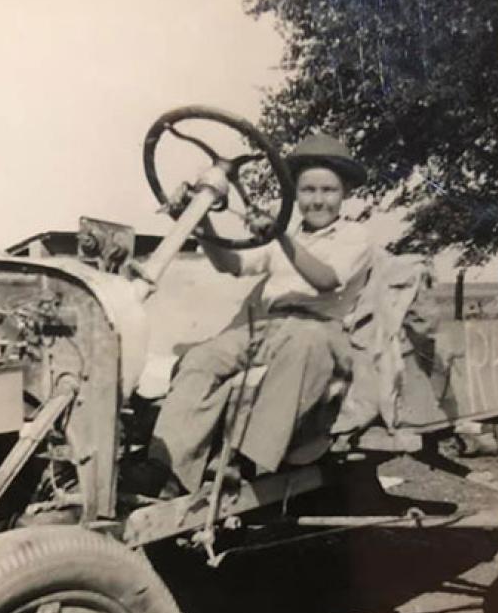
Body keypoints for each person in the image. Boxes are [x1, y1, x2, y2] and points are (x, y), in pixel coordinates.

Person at [142, 134, 373, 497]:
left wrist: (280, 236)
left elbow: (326, 280)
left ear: (344, 193)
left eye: (328, 190)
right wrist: (198, 221)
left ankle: (246, 460)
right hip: (268, 326)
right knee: (200, 358)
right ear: (295, 195)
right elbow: (228, 263)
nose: (317, 200)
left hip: (322, 331)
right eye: (308, 190)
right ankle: (168, 466)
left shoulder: (354, 236)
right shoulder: (285, 236)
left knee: (303, 344)